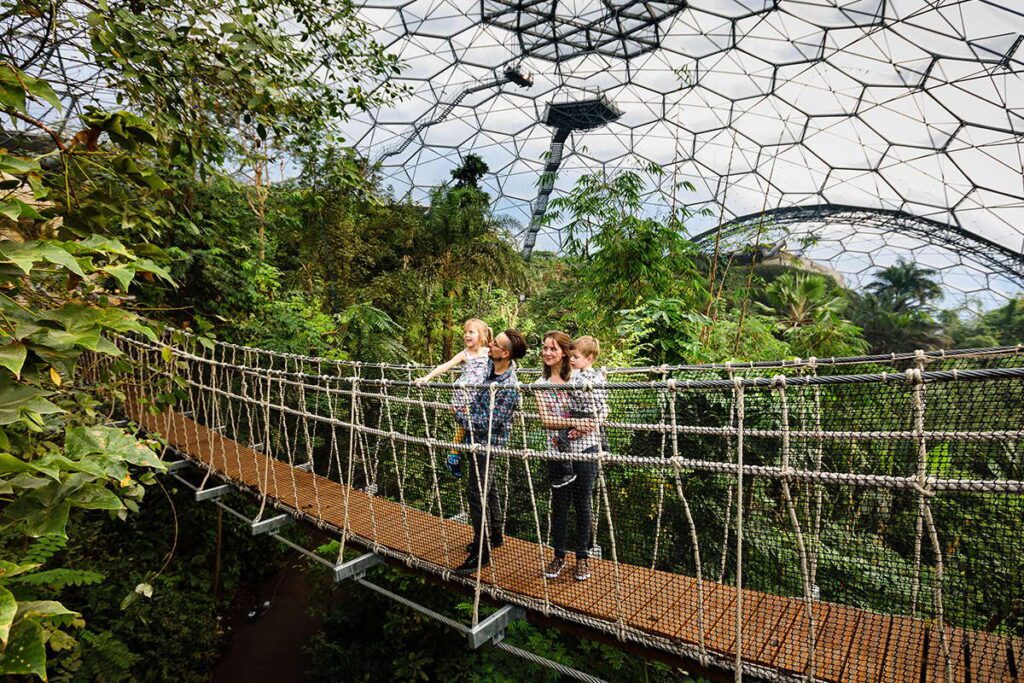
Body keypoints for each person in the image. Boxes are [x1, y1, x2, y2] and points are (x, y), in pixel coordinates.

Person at [453, 328, 528, 575]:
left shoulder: (509, 386)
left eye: (495, 344)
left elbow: (489, 422)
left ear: (505, 353)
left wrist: (462, 416)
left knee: (477, 493)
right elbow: (478, 403)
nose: (490, 346)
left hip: (489, 442)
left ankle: (481, 552)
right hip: (477, 439)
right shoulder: (489, 367)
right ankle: (495, 534)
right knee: (490, 486)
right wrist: (467, 411)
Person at [544, 335, 607, 582]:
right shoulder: (547, 381)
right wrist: (576, 422)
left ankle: (582, 558)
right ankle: (559, 555)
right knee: (559, 504)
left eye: (555, 349)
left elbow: (604, 407)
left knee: (583, 503)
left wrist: (589, 425)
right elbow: (548, 419)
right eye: (546, 348)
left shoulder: (586, 377)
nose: (570, 358)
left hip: (587, 446)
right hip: (559, 450)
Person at [415, 318, 492, 477]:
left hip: (480, 399)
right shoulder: (464, 354)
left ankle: (457, 453)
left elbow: (501, 363)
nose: (466, 335)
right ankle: (453, 456)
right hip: (464, 398)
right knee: (465, 426)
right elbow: (445, 366)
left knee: (468, 428)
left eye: (471, 332)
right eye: (465, 332)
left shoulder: (488, 353)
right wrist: (427, 378)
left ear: (482, 336)